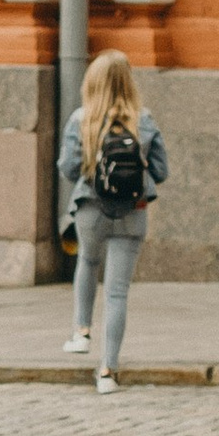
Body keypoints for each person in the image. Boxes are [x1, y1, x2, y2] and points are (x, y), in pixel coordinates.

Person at [57, 48, 170, 397]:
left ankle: (81, 332)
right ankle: (108, 371)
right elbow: (161, 171)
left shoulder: (82, 119)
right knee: (117, 292)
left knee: (88, 262)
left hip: (92, 210)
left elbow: (68, 168)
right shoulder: (144, 120)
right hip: (133, 212)